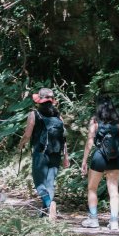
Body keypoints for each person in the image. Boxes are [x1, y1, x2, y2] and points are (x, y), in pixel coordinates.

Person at [80, 95, 119, 230]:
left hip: (99, 157)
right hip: (115, 158)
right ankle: (114, 221)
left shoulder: (95, 121)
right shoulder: (118, 123)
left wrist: (84, 161)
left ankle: (93, 219)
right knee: (114, 190)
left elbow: (90, 141)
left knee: (92, 188)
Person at [19, 87, 70, 220]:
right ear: (52, 101)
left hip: (40, 154)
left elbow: (27, 134)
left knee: (39, 183)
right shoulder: (58, 116)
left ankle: (49, 205)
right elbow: (64, 138)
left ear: (39, 100)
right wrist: (66, 157)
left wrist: (21, 144)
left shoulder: (34, 114)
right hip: (56, 154)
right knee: (50, 183)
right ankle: (47, 213)